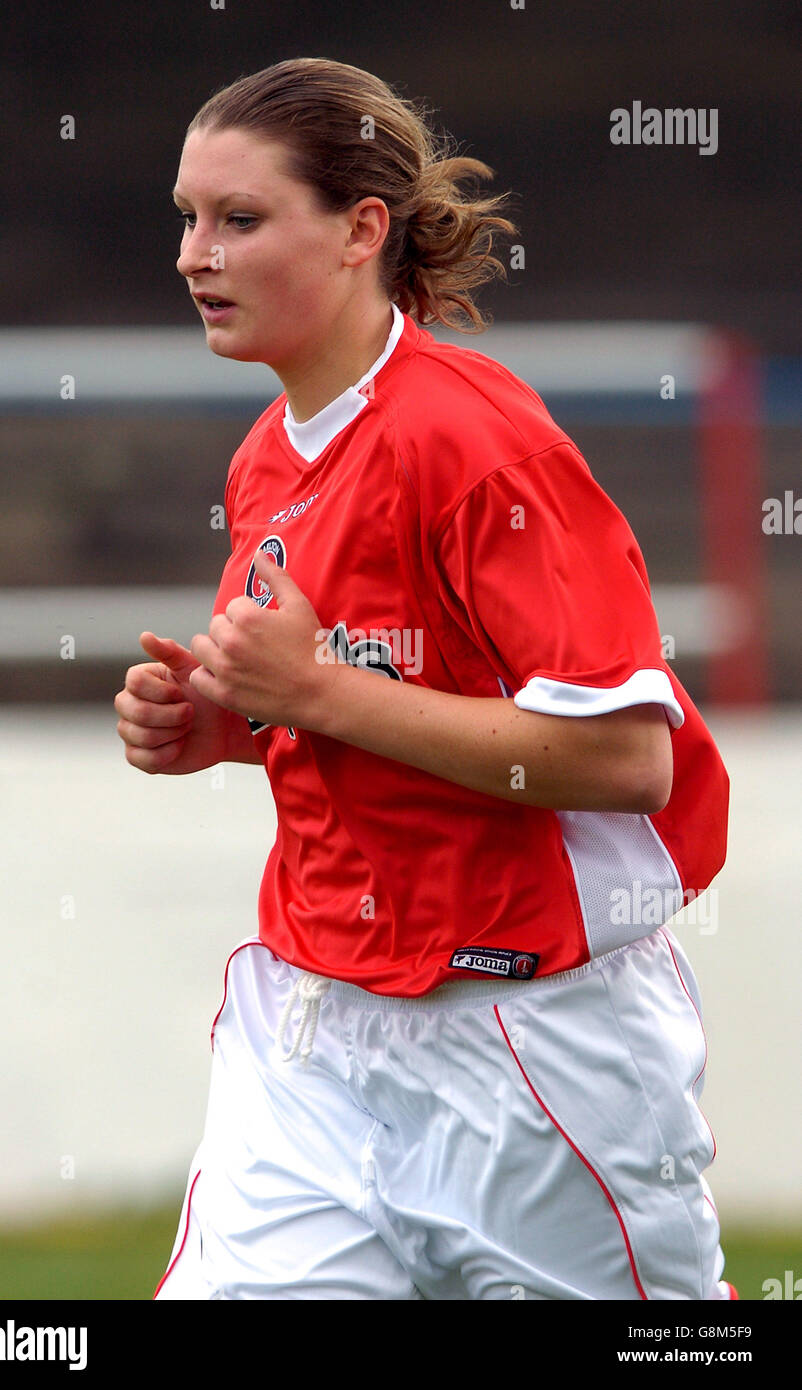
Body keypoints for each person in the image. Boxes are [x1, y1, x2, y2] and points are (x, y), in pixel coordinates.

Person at [114, 57, 735, 1301]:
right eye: (187, 217)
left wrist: (315, 696)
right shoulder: (266, 458)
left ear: (359, 232)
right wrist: (228, 728)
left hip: (529, 1040)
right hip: (314, 1029)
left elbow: (624, 760)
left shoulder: (474, 440)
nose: (195, 255)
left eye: (238, 220)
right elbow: (374, 705)